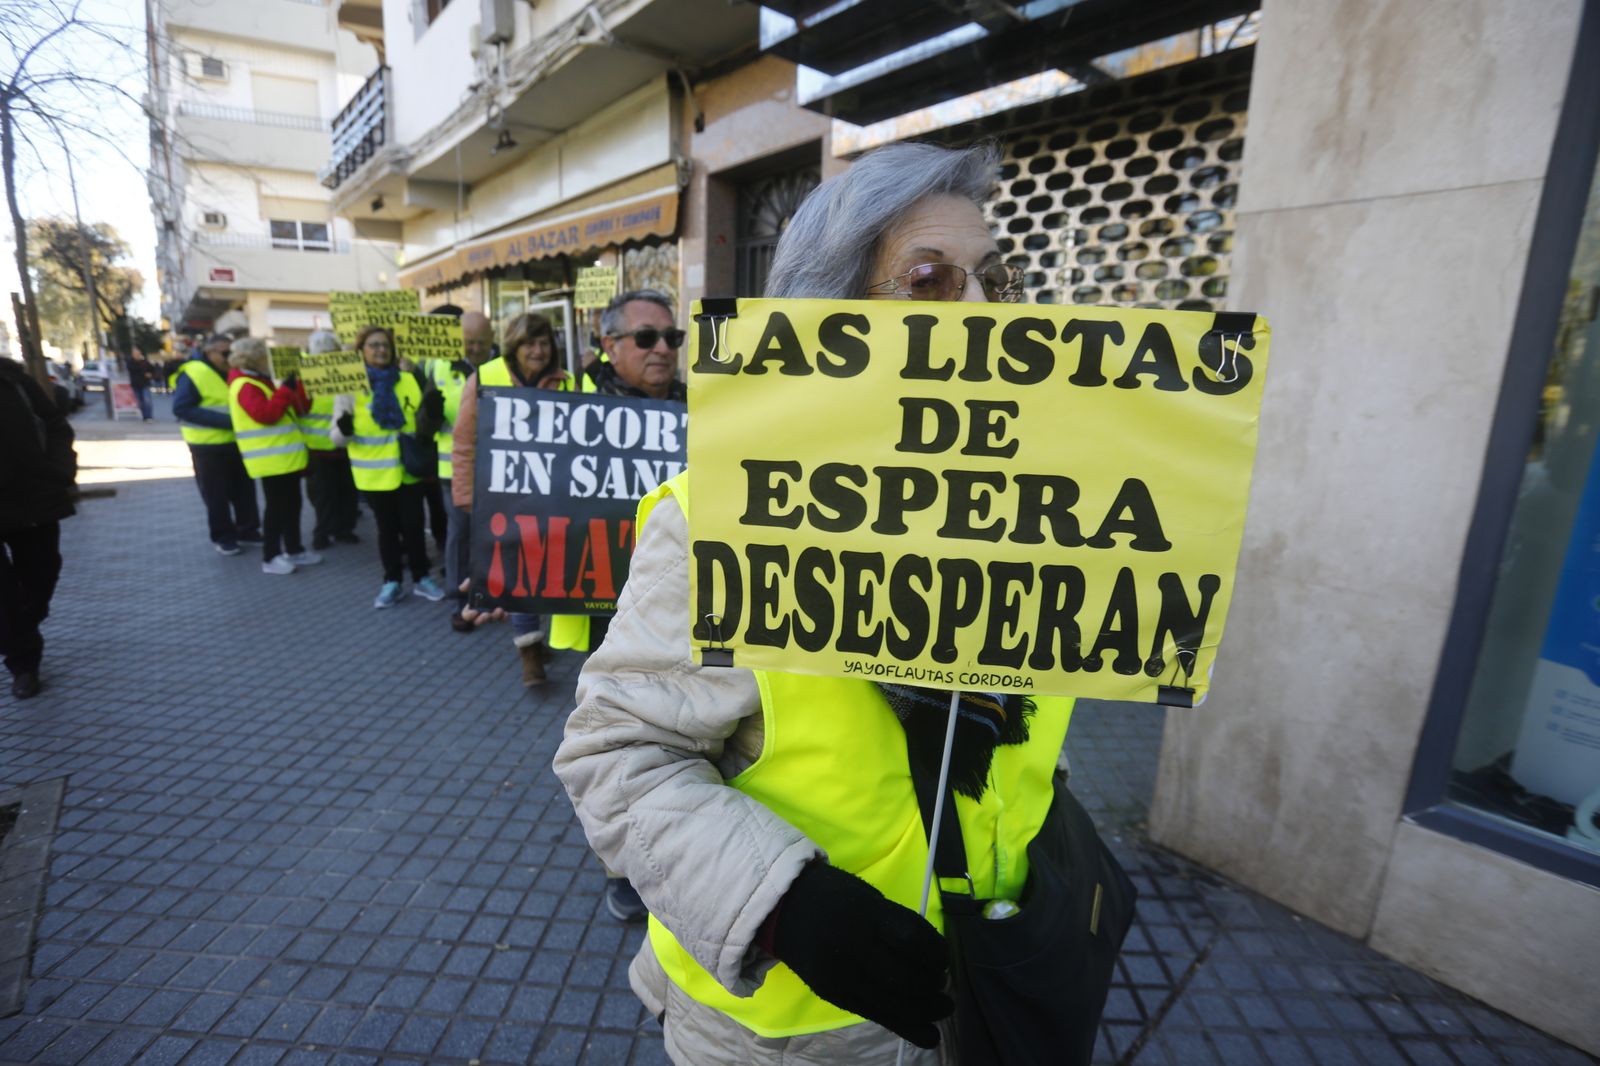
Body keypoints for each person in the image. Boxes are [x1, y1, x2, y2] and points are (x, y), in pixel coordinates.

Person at [554, 143, 1066, 1064]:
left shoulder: (1043, 513)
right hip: (785, 1032)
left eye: (994, 278)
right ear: (831, 318)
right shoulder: (720, 516)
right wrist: (782, 906)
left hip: (988, 980)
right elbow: (616, 756)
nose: (983, 310)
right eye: (929, 280)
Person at [451, 312, 576, 683]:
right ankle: (529, 652)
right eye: (529, 343)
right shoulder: (484, 377)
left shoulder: (569, 382)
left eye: (544, 343)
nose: (537, 351)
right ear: (513, 346)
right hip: (503, 499)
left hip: (553, 497)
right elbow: (464, 442)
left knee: (548, 572)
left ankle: (538, 639)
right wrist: (467, 499)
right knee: (519, 571)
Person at [331, 325, 446, 608]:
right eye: (374, 345)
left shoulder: (407, 379)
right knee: (387, 530)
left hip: (408, 470)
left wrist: (432, 414)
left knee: (414, 527)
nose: (381, 349)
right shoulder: (350, 386)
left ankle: (422, 578)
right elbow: (336, 438)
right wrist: (344, 429)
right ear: (361, 351)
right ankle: (392, 581)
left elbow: (422, 422)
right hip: (374, 474)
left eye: (385, 345)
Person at [0, 357, 77, 700]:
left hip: (33, 498)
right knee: (3, 597)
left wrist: (60, 470)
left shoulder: (14, 380)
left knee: (41, 576)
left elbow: (56, 424)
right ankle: (23, 663)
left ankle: (23, 627)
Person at [415, 310, 494, 633]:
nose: (474, 348)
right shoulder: (438, 367)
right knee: (460, 534)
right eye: (468, 342)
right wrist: (430, 413)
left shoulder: (501, 368)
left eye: (480, 342)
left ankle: (492, 594)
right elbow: (422, 428)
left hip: (496, 469)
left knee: (493, 533)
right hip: (454, 468)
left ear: (492, 340)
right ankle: (458, 599)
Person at [226, 337, 319, 576]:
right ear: (254, 358)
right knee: (277, 509)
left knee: (292, 504)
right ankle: (271, 556)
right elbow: (266, 415)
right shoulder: (245, 384)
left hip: (283, 458)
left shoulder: (257, 381)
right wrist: (285, 390)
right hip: (271, 460)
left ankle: (294, 549)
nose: (268, 360)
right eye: (264, 356)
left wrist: (292, 390)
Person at [172, 333, 262, 555]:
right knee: (216, 495)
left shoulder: (232, 371)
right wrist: (228, 422)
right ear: (209, 351)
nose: (229, 356)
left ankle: (248, 530)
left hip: (237, 442)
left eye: (232, 352)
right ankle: (224, 537)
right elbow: (182, 408)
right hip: (208, 446)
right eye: (225, 352)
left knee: (244, 491)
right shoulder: (194, 372)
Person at [302, 329, 361, 550]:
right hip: (320, 446)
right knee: (323, 495)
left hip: (343, 442)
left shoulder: (347, 370)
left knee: (345, 492)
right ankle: (324, 532)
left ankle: (343, 529)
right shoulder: (304, 375)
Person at [584, 289, 689, 403]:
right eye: (646, 336)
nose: (664, 349)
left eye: (671, 336)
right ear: (611, 348)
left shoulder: (699, 408)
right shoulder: (588, 412)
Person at [126, 348, 155, 421]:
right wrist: (141, 364)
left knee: (147, 400)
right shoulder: (130, 362)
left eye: (138, 354)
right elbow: (133, 369)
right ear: (133, 355)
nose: (137, 355)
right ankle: (144, 416)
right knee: (140, 401)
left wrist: (150, 374)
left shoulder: (144, 361)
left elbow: (152, 369)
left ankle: (149, 416)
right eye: (135, 354)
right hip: (136, 384)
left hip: (145, 383)